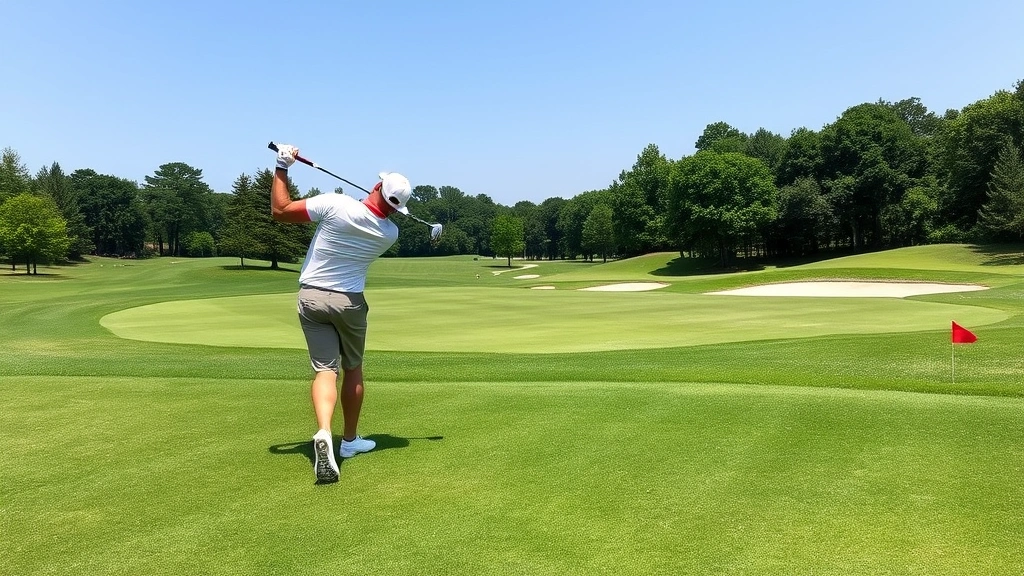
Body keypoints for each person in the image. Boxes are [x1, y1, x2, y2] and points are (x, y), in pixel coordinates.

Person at [270, 144, 411, 483]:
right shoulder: (390, 233)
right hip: (349, 302)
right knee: (353, 369)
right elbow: (375, 211)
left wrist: (282, 166)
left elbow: (280, 210)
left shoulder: (334, 203)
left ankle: (323, 430)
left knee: (325, 371)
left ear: (376, 187)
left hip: (311, 299)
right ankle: (348, 442)